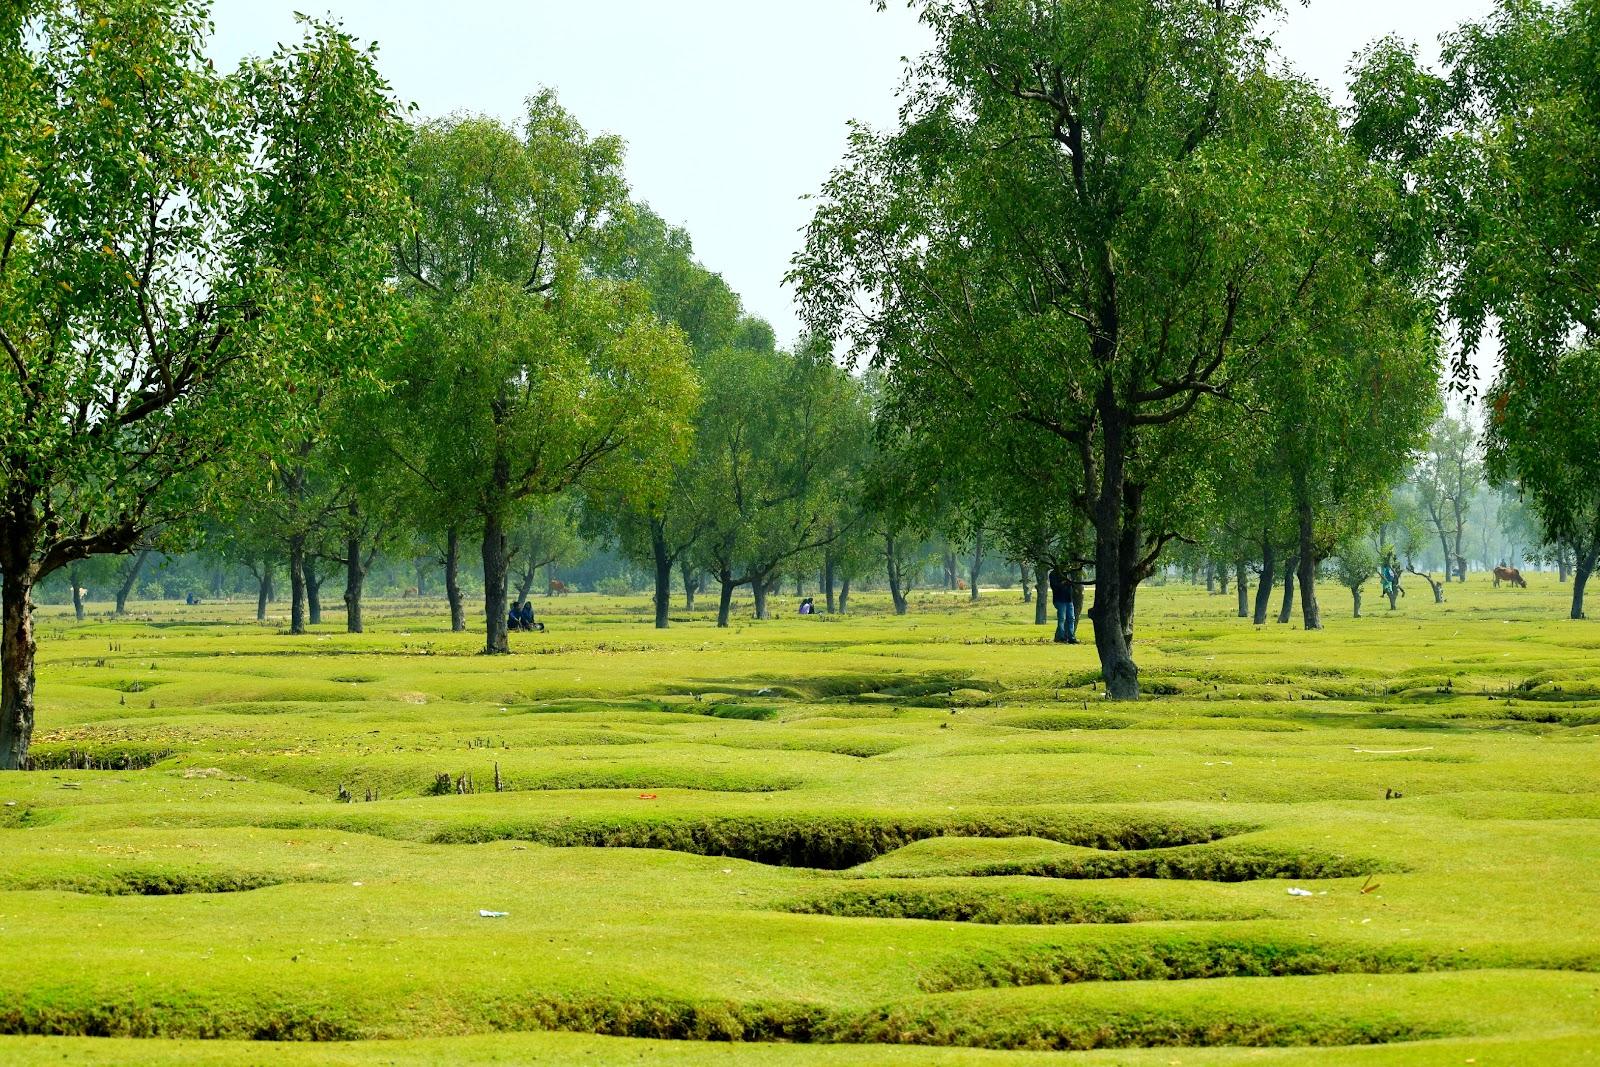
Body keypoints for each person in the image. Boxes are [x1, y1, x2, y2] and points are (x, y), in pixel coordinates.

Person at [1048, 566, 1078, 644]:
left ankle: (1071, 637)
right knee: (1062, 619)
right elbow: (1054, 587)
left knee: (1071, 619)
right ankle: (1062, 637)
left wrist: (1070, 583)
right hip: (1059, 599)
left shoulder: (1068, 573)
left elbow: (1073, 584)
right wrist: (1064, 582)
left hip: (1069, 599)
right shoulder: (1053, 574)